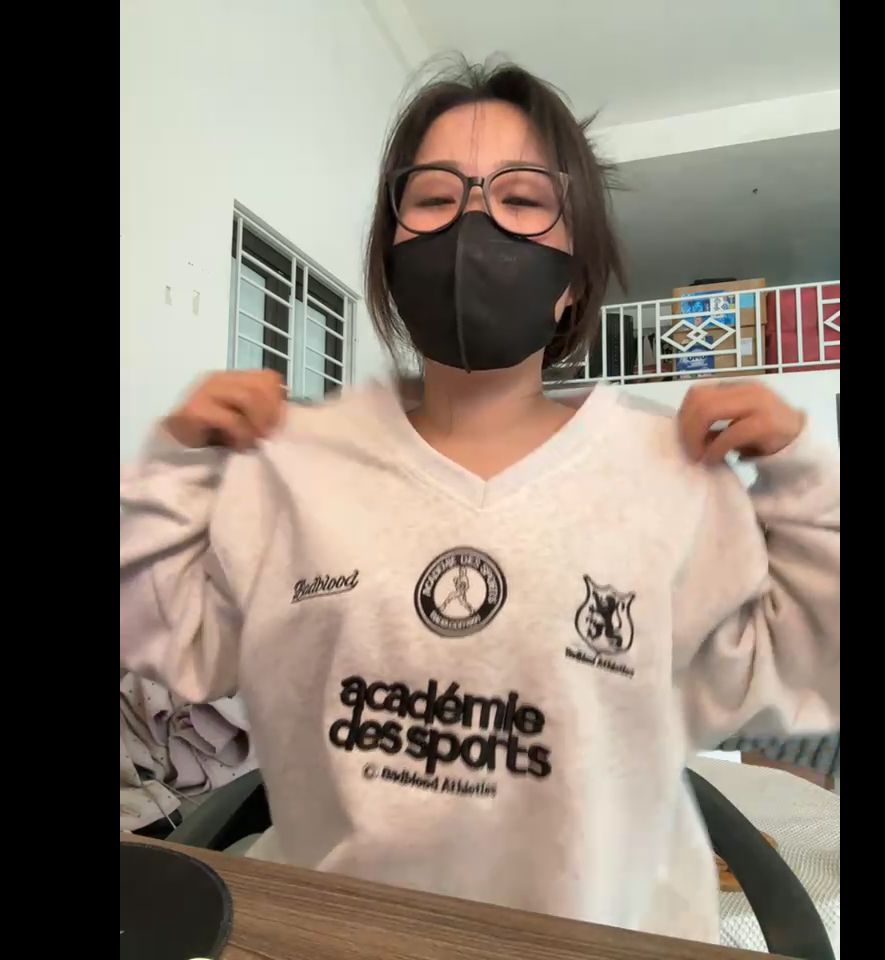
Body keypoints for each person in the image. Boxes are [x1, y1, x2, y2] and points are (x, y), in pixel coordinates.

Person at [120, 60, 839, 943]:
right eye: (433, 197)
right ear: (391, 256)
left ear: (572, 278)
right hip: (335, 925)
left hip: (603, 936)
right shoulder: (297, 469)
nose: (472, 224)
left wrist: (803, 480)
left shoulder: (671, 473)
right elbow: (163, 641)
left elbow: (812, 666)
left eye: (522, 198)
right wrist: (175, 467)